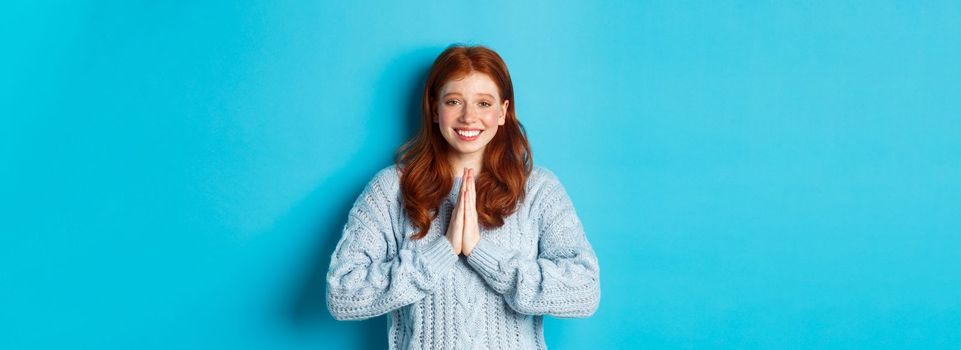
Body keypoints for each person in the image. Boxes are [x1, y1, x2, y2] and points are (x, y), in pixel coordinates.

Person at [326, 43, 600, 349]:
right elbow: (342, 294)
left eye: (484, 103)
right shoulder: (391, 189)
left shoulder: (538, 190)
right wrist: (443, 251)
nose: (469, 117)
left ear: (503, 112)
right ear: (434, 109)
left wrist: (481, 253)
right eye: (454, 101)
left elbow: (585, 291)